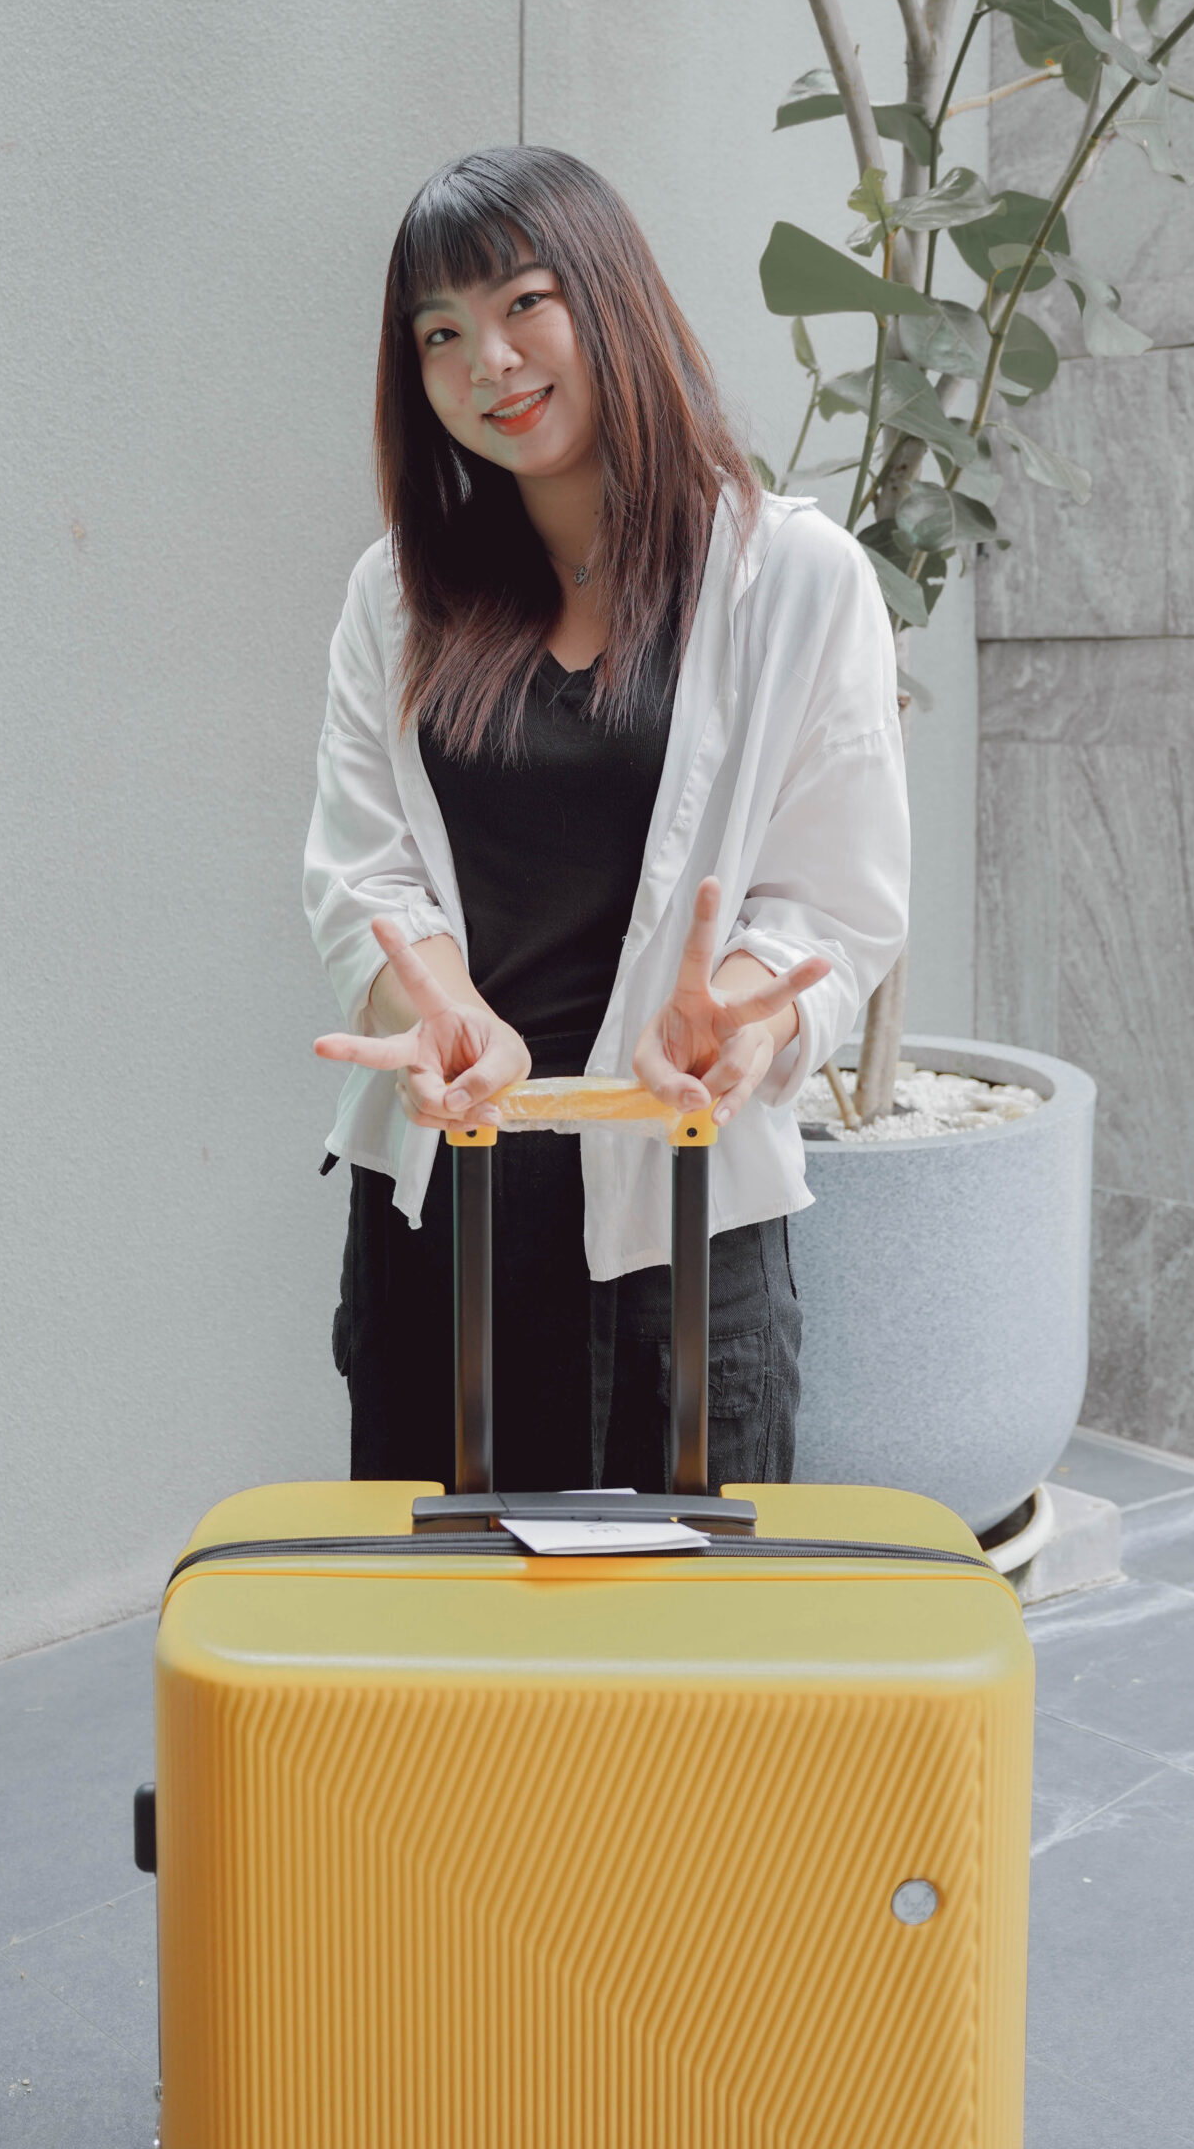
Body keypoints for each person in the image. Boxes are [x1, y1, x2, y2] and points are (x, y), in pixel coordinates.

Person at [303, 147, 909, 1494]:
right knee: (438, 1612)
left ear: (610, 297)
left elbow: (837, 895)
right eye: (439, 334)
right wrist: (444, 1013)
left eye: (525, 304)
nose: (489, 362)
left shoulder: (795, 578)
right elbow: (364, 871)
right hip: (445, 1206)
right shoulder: (395, 599)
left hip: (681, 1213)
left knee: (682, 1617)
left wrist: (736, 1014)